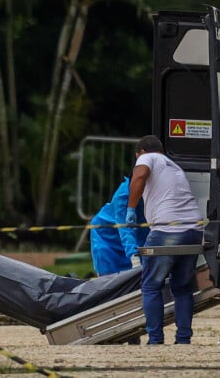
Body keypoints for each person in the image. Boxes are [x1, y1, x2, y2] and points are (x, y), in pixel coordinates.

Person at [126, 135, 203, 345]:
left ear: (141, 152)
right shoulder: (174, 165)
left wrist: (131, 209)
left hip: (167, 230)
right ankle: (183, 340)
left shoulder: (146, 158)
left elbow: (140, 176)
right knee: (183, 287)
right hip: (194, 230)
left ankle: (156, 340)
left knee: (151, 286)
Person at [90, 176, 149, 276]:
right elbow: (125, 228)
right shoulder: (123, 195)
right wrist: (134, 258)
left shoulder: (154, 189)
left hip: (138, 237)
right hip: (108, 239)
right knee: (111, 281)